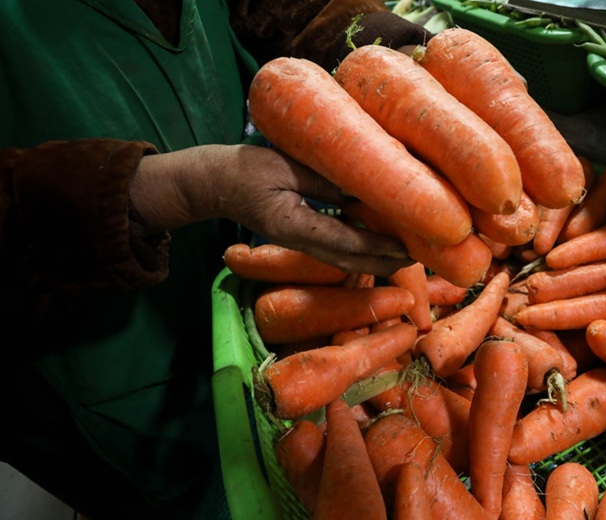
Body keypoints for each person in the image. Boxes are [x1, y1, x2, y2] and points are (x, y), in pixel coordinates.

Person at [0, 1, 450, 518]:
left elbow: (281, 9)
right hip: (74, 348)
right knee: (174, 490)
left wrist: (392, 64)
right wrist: (185, 188)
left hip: (229, 260)